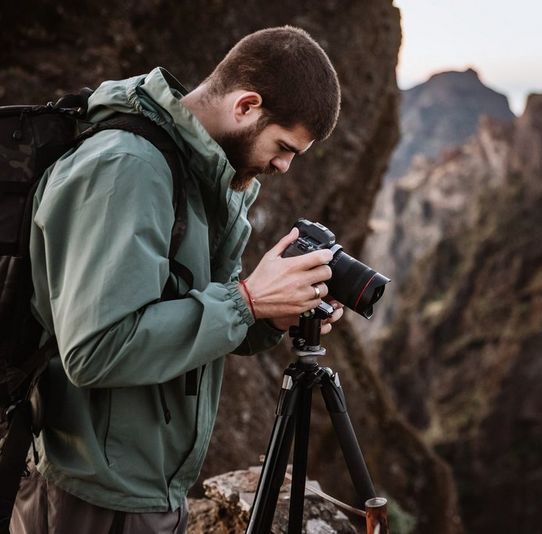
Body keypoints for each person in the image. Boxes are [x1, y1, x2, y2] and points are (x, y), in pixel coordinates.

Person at [10, 26, 342, 534]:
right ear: (246, 106)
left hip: (149, 487)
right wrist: (246, 302)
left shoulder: (202, 175)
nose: (284, 165)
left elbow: (199, 317)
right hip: (90, 494)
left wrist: (272, 313)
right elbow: (95, 349)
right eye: (283, 146)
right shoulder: (127, 167)